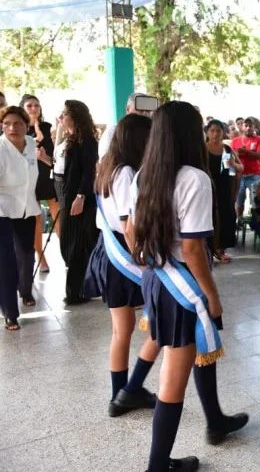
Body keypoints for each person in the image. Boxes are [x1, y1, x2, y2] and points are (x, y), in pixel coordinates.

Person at [131, 101, 248, 471]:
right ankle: (157, 465)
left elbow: (133, 230)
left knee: (193, 355)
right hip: (181, 283)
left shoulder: (143, 175)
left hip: (156, 277)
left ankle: (215, 420)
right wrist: (212, 297)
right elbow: (194, 248)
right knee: (173, 379)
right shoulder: (195, 179)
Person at [83, 114, 161, 415]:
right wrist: (144, 264)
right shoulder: (128, 172)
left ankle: (121, 394)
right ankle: (127, 392)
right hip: (123, 255)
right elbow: (129, 226)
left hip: (106, 251)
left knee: (121, 330)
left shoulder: (106, 168)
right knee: (147, 327)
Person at [39, 100, 100, 304]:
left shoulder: (87, 140)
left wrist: (81, 196)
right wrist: (46, 160)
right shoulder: (68, 138)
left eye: (65, 113)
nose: (61, 117)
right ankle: (82, 287)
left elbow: (88, 170)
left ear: (75, 116)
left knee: (74, 244)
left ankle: (76, 291)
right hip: (63, 192)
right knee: (68, 243)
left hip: (76, 195)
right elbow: (60, 167)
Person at [0, 106, 39, 329]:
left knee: (26, 254)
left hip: (26, 208)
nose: (12, 128)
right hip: (2, 210)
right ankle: (10, 312)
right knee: (6, 261)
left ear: (26, 125)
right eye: (7, 124)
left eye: (18, 124)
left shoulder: (31, 144)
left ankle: (25, 290)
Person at [20, 95, 59, 273]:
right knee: (36, 220)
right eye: (29, 106)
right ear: (22, 108)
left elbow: (50, 152)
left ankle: (66, 252)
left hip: (47, 176)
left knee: (58, 216)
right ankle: (40, 257)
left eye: (37, 105)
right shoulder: (17, 129)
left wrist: (39, 130)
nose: (34, 108)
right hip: (29, 179)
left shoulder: (46, 127)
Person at [206, 120, 243, 263]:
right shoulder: (202, 148)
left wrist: (233, 164)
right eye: (212, 130)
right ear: (207, 132)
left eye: (218, 131)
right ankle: (212, 248)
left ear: (223, 133)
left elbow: (241, 167)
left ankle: (221, 248)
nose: (215, 134)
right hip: (208, 187)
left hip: (226, 187)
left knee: (226, 216)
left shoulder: (227, 149)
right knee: (211, 217)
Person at [98, 92, 153, 158]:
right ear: (128, 109)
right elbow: (105, 161)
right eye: (141, 110)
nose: (144, 114)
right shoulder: (112, 132)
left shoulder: (151, 132)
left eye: (147, 111)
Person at [231, 117, 260, 219]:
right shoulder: (235, 141)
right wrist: (238, 153)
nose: (248, 128)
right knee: (239, 199)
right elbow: (231, 156)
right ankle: (239, 219)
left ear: (254, 127)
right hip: (239, 175)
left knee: (255, 200)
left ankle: (255, 221)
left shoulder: (259, 140)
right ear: (242, 127)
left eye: (250, 126)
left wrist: (246, 152)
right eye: (246, 125)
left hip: (254, 174)